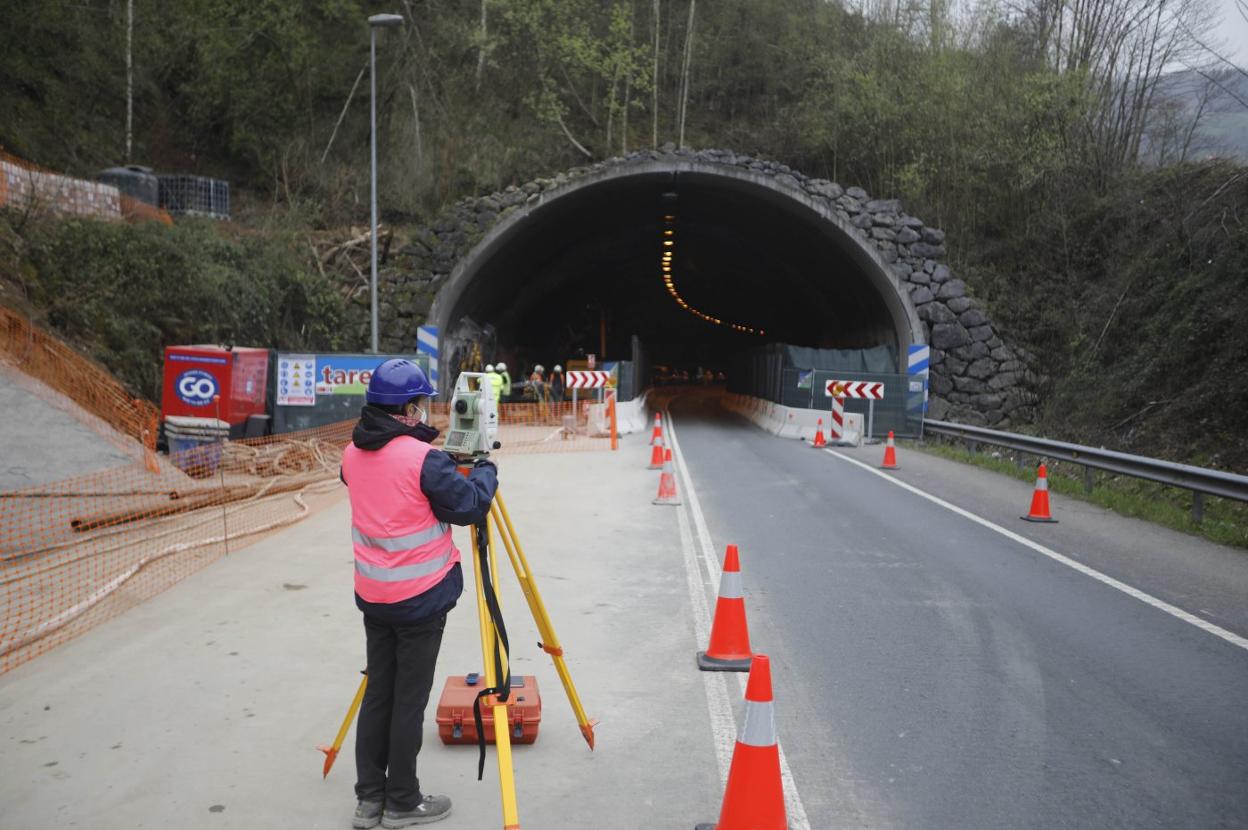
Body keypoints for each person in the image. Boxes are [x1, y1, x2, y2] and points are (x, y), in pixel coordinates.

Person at [340, 359, 498, 829]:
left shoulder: (352, 453)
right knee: (409, 699)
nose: (427, 411)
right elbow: (468, 505)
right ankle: (404, 802)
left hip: (374, 596)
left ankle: (370, 800)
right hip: (420, 597)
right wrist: (487, 469)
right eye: (422, 404)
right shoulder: (421, 458)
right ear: (407, 410)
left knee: (379, 694)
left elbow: (372, 486)